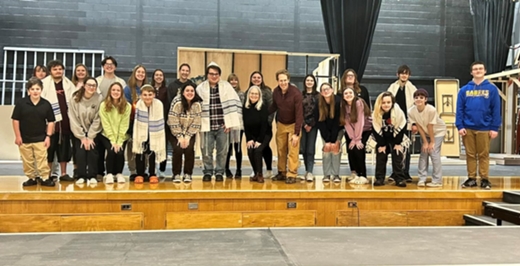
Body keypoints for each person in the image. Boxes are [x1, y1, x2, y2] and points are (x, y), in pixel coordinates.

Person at [456, 61, 501, 190]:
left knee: (483, 154)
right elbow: (459, 109)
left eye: (480, 69)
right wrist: (460, 126)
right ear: (471, 72)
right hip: (468, 127)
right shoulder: (464, 90)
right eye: (475, 69)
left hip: (485, 128)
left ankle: (484, 179)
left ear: (485, 71)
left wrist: (494, 127)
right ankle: (471, 178)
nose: (478, 71)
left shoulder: (492, 89)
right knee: (470, 154)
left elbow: (496, 109)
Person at [196, 62, 243, 182]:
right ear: (207, 74)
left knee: (223, 151)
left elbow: (234, 104)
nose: (214, 76)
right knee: (206, 151)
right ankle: (207, 171)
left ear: (219, 75)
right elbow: (196, 107)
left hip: (223, 125)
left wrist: (230, 123)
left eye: (216, 74)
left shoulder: (226, 86)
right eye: (211, 74)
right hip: (207, 125)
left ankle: (219, 172)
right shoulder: (200, 88)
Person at [11, 78, 56, 187]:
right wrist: (18, 136)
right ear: (28, 90)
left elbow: (51, 121)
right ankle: (31, 177)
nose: (35, 91)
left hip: (40, 138)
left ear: (41, 90)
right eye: (32, 89)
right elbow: (15, 120)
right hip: (24, 138)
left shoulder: (46, 104)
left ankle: (44, 177)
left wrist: (48, 136)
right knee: (27, 160)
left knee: (42, 159)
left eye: (38, 89)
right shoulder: (21, 103)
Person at [41, 60, 75, 182]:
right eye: (55, 69)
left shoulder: (68, 84)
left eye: (60, 69)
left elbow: (74, 100)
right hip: (50, 122)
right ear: (50, 71)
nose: (58, 71)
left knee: (64, 149)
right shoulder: (44, 84)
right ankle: (48, 174)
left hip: (65, 121)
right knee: (50, 150)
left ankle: (64, 173)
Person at [367, 92, 411, 187]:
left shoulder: (398, 111)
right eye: (383, 103)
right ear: (380, 103)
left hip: (397, 137)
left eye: (388, 102)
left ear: (392, 103)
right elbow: (375, 129)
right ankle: (379, 178)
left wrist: (398, 143)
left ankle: (399, 178)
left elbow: (402, 126)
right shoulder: (376, 113)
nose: (386, 104)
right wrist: (382, 144)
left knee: (397, 154)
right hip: (382, 138)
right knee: (381, 155)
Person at [269, 69, 303, 184]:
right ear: (277, 81)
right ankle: (282, 172)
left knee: (293, 150)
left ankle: (292, 174)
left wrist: (296, 133)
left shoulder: (296, 93)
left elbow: (299, 114)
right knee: (281, 149)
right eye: (280, 80)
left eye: (284, 80)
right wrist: (262, 113)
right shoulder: (276, 92)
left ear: (288, 80)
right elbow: (274, 106)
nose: (282, 83)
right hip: (281, 124)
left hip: (294, 124)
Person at [408, 89, 446, 187]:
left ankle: (437, 180)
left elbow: (430, 126)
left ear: (425, 99)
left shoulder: (431, 109)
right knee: (424, 152)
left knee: (433, 152)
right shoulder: (411, 111)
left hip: (437, 131)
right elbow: (419, 126)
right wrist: (425, 141)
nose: (419, 100)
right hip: (425, 132)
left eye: (421, 98)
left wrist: (432, 142)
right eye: (416, 98)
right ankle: (421, 179)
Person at [68, 77, 103, 185]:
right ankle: (81, 175)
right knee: (80, 152)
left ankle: (92, 175)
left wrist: (91, 136)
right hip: (78, 132)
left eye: (94, 85)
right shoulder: (75, 98)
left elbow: (98, 118)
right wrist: (82, 137)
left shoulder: (99, 98)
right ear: (84, 86)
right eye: (89, 85)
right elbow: (73, 118)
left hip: (93, 131)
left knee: (93, 152)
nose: (91, 87)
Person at [387, 65, 416, 182]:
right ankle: (395, 172)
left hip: (407, 123)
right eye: (402, 73)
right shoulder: (392, 87)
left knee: (406, 149)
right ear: (397, 74)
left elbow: (415, 108)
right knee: (395, 147)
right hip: (395, 123)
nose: (404, 75)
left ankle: (406, 172)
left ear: (409, 75)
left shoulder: (413, 88)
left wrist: (414, 123)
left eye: (406, 73)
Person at [168, 83, 202, 183]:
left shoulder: (197, 104)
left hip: (190, 131)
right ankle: (176, 174)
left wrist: (187, 136)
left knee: (189, 149)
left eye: (192, 91)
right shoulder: (177, 102)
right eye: (187, 91)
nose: (190, 93)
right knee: (178, 149)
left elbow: (197, 121)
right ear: (183, 92)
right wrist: (179, 136)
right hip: (175, 130)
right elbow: (172, 120)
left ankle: (188, 174)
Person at [132, 85, 166, 184]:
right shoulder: (138, 104)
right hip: (141, 130)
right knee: (140, 151)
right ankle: (140, 174)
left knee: (153, 152)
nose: (147, 97)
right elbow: (136, 120)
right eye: (145, 95)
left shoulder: (159, 104)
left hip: (155, 131)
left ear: (154, 95)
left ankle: (152, 174)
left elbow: (160, 119)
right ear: (141, 95)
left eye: (150, 94)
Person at [98, 82, 131, 184]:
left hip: (122, 135)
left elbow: (124, 124)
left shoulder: (127, 106)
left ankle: (119, 173)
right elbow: (105, 123)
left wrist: (119, 141)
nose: (116, 92)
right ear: (109, 92)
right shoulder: (103, 105)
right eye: (113, 90)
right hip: (107, 134)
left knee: (120, 151)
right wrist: (113, 140)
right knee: (112, 151)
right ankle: (109, 174)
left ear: (121, 92)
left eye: (118, 90)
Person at [340, 87, 372, 184]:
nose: (348, 95)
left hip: (366, 129)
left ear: (354, 94)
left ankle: (363, 175)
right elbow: (346, 123)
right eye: (346, 93)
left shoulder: (359, 103)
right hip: (353, 131)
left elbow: (360, 122)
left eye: (350, 93)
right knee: (351, 149)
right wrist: (352, 139)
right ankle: (356, 174)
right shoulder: (343, 105)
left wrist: (357, 139)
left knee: (359, 148)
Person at [248, 71, 274, 178]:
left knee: (265, 147)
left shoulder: (267, 92)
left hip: (265, 126)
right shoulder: (248, 92)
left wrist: (268, 122)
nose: (256, 79)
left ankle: (268, 169)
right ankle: (257, 171)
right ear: (251, 79)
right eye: (254, 77)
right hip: (253, 128)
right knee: (252, 148)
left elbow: (271, 108)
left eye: (259, 77)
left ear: (262, 79)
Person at [124, 64, 147, 180]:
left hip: (145, 122)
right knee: (132, 146)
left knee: (145, 146)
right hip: (132, 121)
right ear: (134, 73)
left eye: (143, 72)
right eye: (138, 72)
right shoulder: (128, 89)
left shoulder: (147, 88)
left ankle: (143, 170)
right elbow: (126, 106)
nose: (140, 74)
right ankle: (133, 170)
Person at [315, 83, 342, 183]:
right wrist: (327, 139)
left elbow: (337, 122)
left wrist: (333, 139)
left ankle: (336, 175)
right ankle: (326, 175)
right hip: (325, 131)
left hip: (338, 129)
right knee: (326, 150)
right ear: (321, 93)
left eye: (327, 89)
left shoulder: (338, 101)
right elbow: (320, 122)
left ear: (332, 89)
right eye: (323, 90)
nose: (326, 91)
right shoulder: (318, 103)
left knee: (335, 150)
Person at [243, 86, 270, 183]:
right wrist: (249, 139)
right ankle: (255, 173)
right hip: (252, 135)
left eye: (256, 94)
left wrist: (259, 140)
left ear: (259, 96)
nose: (254, 95)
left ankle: (260, 174)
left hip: (264, 134)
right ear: (248, 95)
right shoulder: (245, 107)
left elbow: (264, 126)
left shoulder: (263, 107)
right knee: (250, 150)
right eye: (252, 93)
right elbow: (246, 125)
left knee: (258, 150)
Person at [225, 73, 245, 179]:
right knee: (227, 148)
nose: (233, 82)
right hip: (228, 124)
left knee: (238, 148)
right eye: (231, 80)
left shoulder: (241, 94)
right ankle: (226, 169)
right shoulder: (224, 94)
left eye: (235, 80)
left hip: (238, 125)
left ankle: (238, 170)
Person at [300, 74, 319, 182]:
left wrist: (311, 124)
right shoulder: (300, 95)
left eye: (311, 80)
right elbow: (298, 111)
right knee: (303, 148)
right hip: (303, 124)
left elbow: (319, 112)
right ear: (305, 82)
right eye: (307, 80)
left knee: (310, 149)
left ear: (314, 82)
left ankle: (310, 171)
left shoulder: (318, 96)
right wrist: (304, 124)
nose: (309, 82)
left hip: (313, 125)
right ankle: (306, 171)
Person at [152, 69, 169, 178]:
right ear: (153, 77)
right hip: (152, 122)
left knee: (163, 146)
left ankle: (162, 169)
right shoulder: (149, 89)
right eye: (157, 75)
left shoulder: (167, 90)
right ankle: (152, 168)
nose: (159, 77)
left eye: (161, 75)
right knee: (152, 146)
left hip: (164, 122)